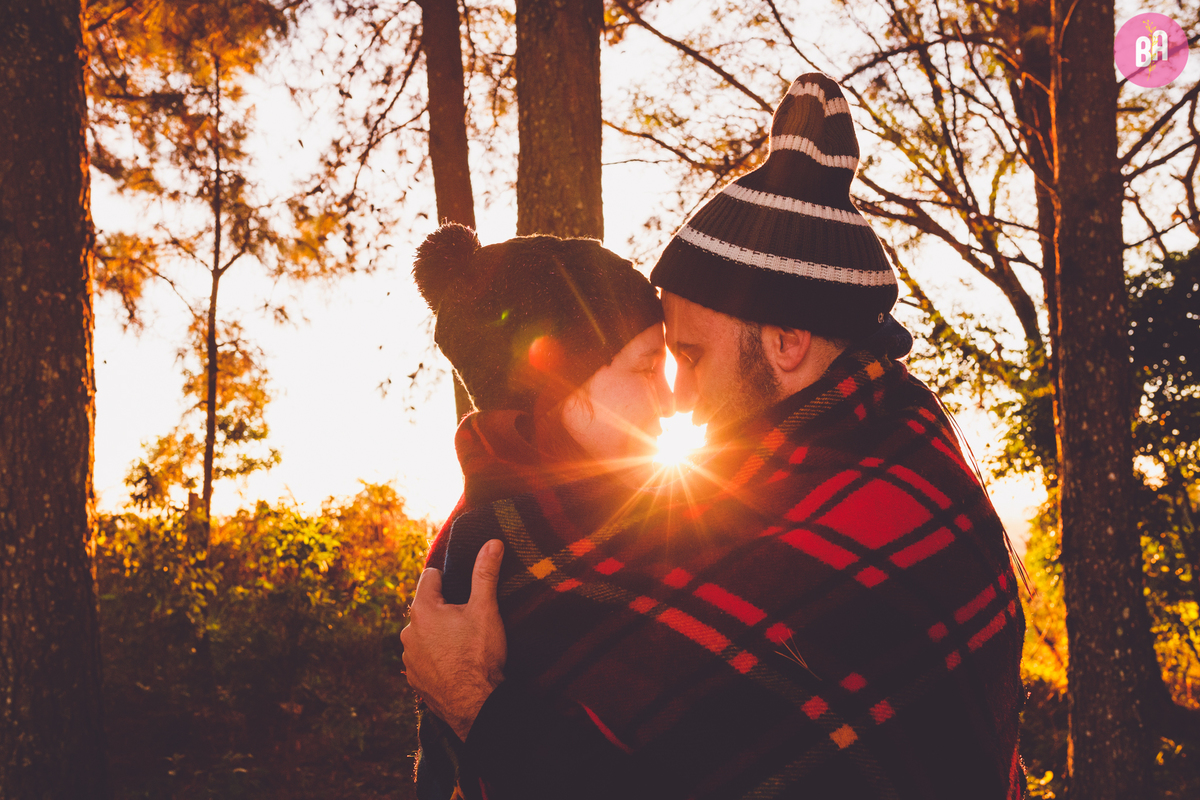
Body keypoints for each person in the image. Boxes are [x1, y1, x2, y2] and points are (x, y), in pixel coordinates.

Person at [403, 73, 1026, 799]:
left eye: (690, 357)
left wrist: (479, 707)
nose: (678, 397)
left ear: (786, 342)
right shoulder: (858, 461)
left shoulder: (884, 508)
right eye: (657, 365)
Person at [405, 224, 674, 799]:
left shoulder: (643, 516)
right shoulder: (486, 553)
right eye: (648, 369)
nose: (672, 402)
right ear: (554, 384)